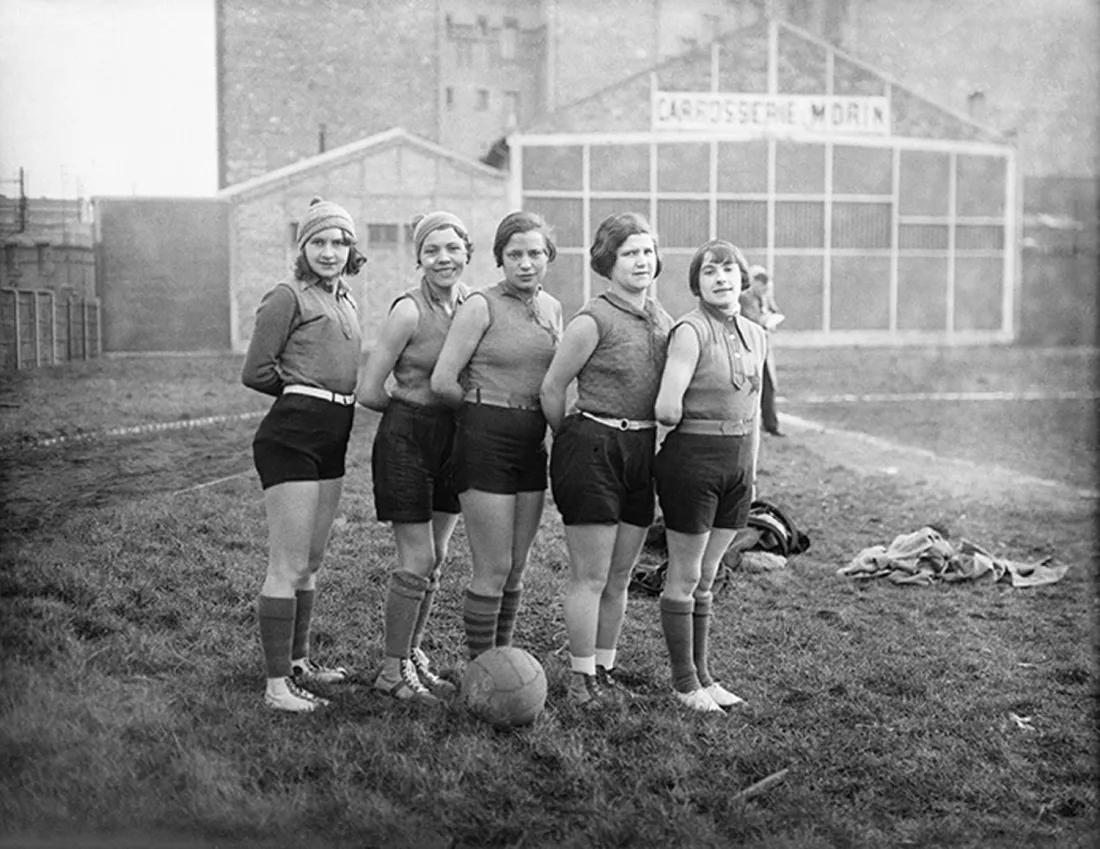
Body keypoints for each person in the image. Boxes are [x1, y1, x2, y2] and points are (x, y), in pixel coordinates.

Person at [540, 212, 674, 708]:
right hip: (594, 446)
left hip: (641, 451)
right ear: (608, 261)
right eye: (629, 253)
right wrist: (573, 440)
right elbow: (553, 388)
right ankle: (579, 680)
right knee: (590, 577)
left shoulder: (661, 318)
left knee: (620, 577)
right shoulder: (592, 319)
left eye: (646, 251)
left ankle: (604, 669)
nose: (641, 261)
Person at [241, 196, 367, 713]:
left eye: (339, 242)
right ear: (303, 247)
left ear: (351, 249)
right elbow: (256, 370)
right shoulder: (286, 296)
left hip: (334, 434)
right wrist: (302, 392)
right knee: (287, 563)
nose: (330, 251)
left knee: (311, 561)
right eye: (319, 241)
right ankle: (276, 688)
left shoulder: (348, 300)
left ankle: (298, 664)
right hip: (293, 433)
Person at [430, 211, 563, 661]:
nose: (526, 264)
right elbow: (444, 381)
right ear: (500, 259)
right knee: (493, 566)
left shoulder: (553, 308)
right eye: (515, 255)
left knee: (518, 568)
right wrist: (482, 415)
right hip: (485, 438)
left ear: (549, 257)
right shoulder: (480, 305)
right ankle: (480, 668)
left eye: (536, 254)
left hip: (532, 443)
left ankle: (502, 663)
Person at [356, 211, 472, 705]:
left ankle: (412, 653)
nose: (443, 258)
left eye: (452, 248)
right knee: (417, 556)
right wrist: (411, 412)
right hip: (407, 436)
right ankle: (390, 670)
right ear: (419, 258)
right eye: (432, 250)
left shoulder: (472, 304)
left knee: (439, 555)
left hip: (454, 438)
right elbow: (368, 389)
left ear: (467, 251)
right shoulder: (408, 310)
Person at [653, 239, 767, 712]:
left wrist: (751, 472)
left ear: (742, 277)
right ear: (697, 284)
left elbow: (756, 410)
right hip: (694, 460)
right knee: (684, 575)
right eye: (709, 272)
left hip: (737, 462)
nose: (722, 279)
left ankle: (704, 676)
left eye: (729, 270)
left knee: (709, 576)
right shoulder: (690, 330)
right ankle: (684, 683)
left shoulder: (756, 333)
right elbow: (665, 406)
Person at [740, 265, 785, 437]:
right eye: (761, 284)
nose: (765, 288)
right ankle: (754, 423)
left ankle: (770, 424)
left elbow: (774, 311)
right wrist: (766, 320)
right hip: (750, 350)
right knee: (752, 387)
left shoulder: (763, 298)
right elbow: (754, 320)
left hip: (763, 348)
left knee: (768, 386)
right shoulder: (745, 298)